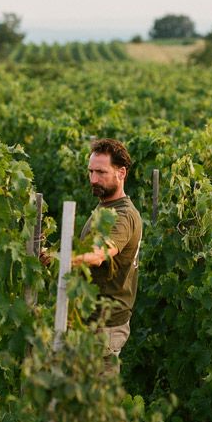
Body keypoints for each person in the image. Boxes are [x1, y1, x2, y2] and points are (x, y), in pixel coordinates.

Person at [71, 138, 142, 377]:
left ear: (121, 173)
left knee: (97, 402)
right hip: (90, 319)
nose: (93, 179)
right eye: (91, 171)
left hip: (106, 326)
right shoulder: (105, 207)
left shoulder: (123, 216)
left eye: (101, 172)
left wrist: (64, 258)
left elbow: (100, 254)